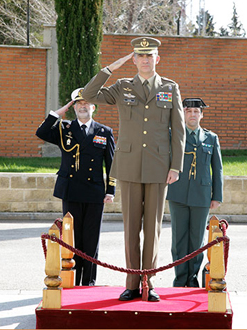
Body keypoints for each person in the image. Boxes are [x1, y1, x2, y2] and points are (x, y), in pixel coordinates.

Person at [81, 37, 185, 302]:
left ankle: (148, 284)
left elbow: (179, 131)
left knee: (153, 228)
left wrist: (176, 166)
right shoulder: (122, 87)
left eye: (150, 56)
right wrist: (110, 69)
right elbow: (89, 94)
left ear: (157, 59)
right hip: (128, 165)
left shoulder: (170, 88)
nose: (146, 60)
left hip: (159, 167)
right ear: (134, 60)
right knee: (131, 229)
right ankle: (131, 283)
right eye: (140, 56)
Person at [35, 88, 115, 286]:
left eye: (86, 104)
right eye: (79, 104)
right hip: (71, 191)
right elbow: (41, 132)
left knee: (91, 239)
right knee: (72, 239)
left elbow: (112, 164)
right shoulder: (65, 128)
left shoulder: (104, 132)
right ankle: (71, 280)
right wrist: (57, 113)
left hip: (95, 192)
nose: (83, 107)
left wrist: (110, 190)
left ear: (93, 108)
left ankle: (88, 282)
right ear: (74, 108)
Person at [166, 98, 223, 288]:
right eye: (189, 111)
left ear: (201, 115)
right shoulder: (174, 136)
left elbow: (218, 169)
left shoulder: (211, 138)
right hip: (178, 193)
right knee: (179, 240)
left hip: (201, 194)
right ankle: (180, 277)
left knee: (197, 240)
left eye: (196, 112)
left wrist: (217, 196)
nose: (192, 115)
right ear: (183, 114)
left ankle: (192, 278)